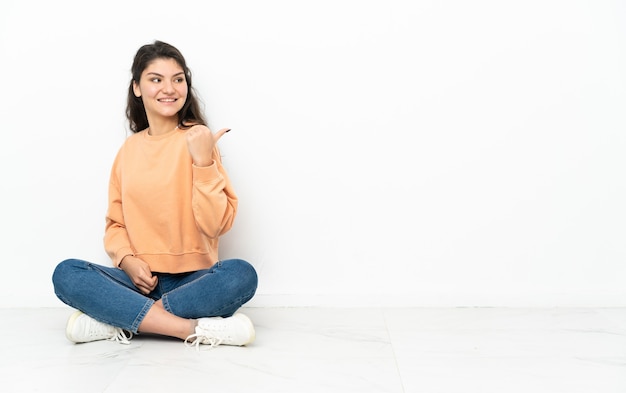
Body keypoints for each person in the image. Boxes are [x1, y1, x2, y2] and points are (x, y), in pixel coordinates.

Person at [52, 40, 258, 349]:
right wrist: (128, 261)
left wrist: (203, 162)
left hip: (194, 282)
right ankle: (188, 328)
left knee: (241, 275)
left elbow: (215, 225)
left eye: (178, 79)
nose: (169, 88)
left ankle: (118, 319)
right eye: (156, 79)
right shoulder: (128, 151)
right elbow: (116, 224)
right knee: (66, 273)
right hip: (137, 282)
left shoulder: (198, 140)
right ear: (137, 87)